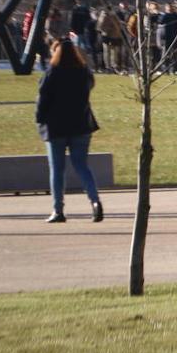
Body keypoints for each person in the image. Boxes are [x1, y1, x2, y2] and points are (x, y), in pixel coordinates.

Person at [35, 40, 103, 223]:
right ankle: (95, 200)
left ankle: (58, 210)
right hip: (80, 125)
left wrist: (39, 119)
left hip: (56, 126)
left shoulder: (51, 73)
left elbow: (42, 101)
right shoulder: (84, 73)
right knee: (81, 165)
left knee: (57, 169)